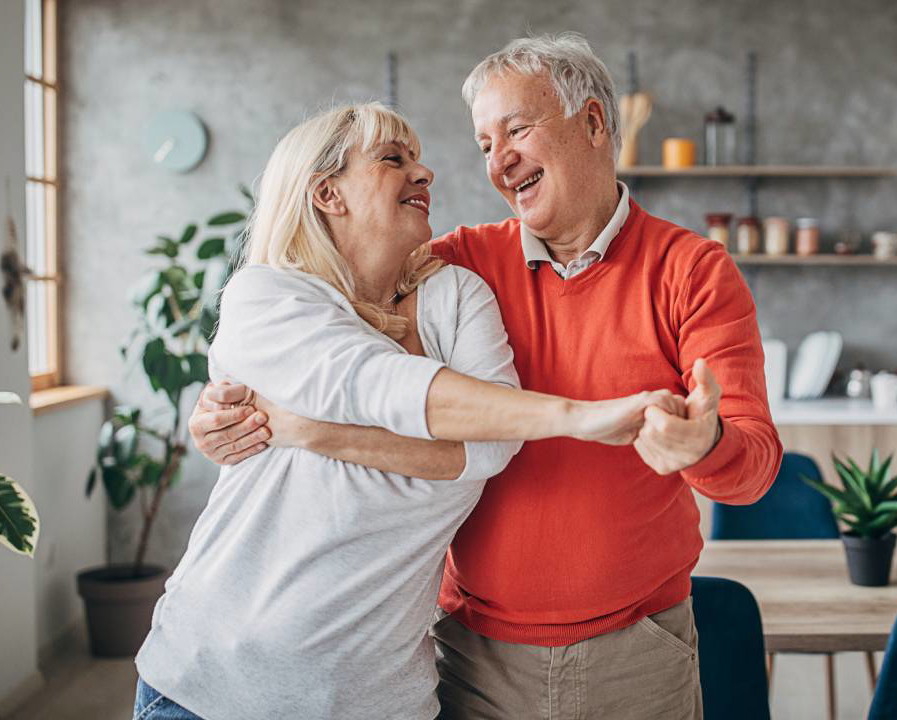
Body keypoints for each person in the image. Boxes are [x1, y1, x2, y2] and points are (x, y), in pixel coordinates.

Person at [190, 33, 783, 719]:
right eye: (483, 144)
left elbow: (753, 469)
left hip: (638, 651)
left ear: (593, 122)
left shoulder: (694, 271)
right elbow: (332, 348)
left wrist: (705, 445)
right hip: (471, 655)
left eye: (517, 131)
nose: (498, 162)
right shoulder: (451, 267)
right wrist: (225, 409)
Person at [133, 101, 683, 720]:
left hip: (383, 699)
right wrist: (577, 417)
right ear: (327, 194)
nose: (424, 173)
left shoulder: (457, 295)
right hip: (215, 685)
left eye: (418, 159)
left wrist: (311, 432)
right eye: (392, 159)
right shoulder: (266, 295)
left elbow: (492, 447)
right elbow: (374, 383)